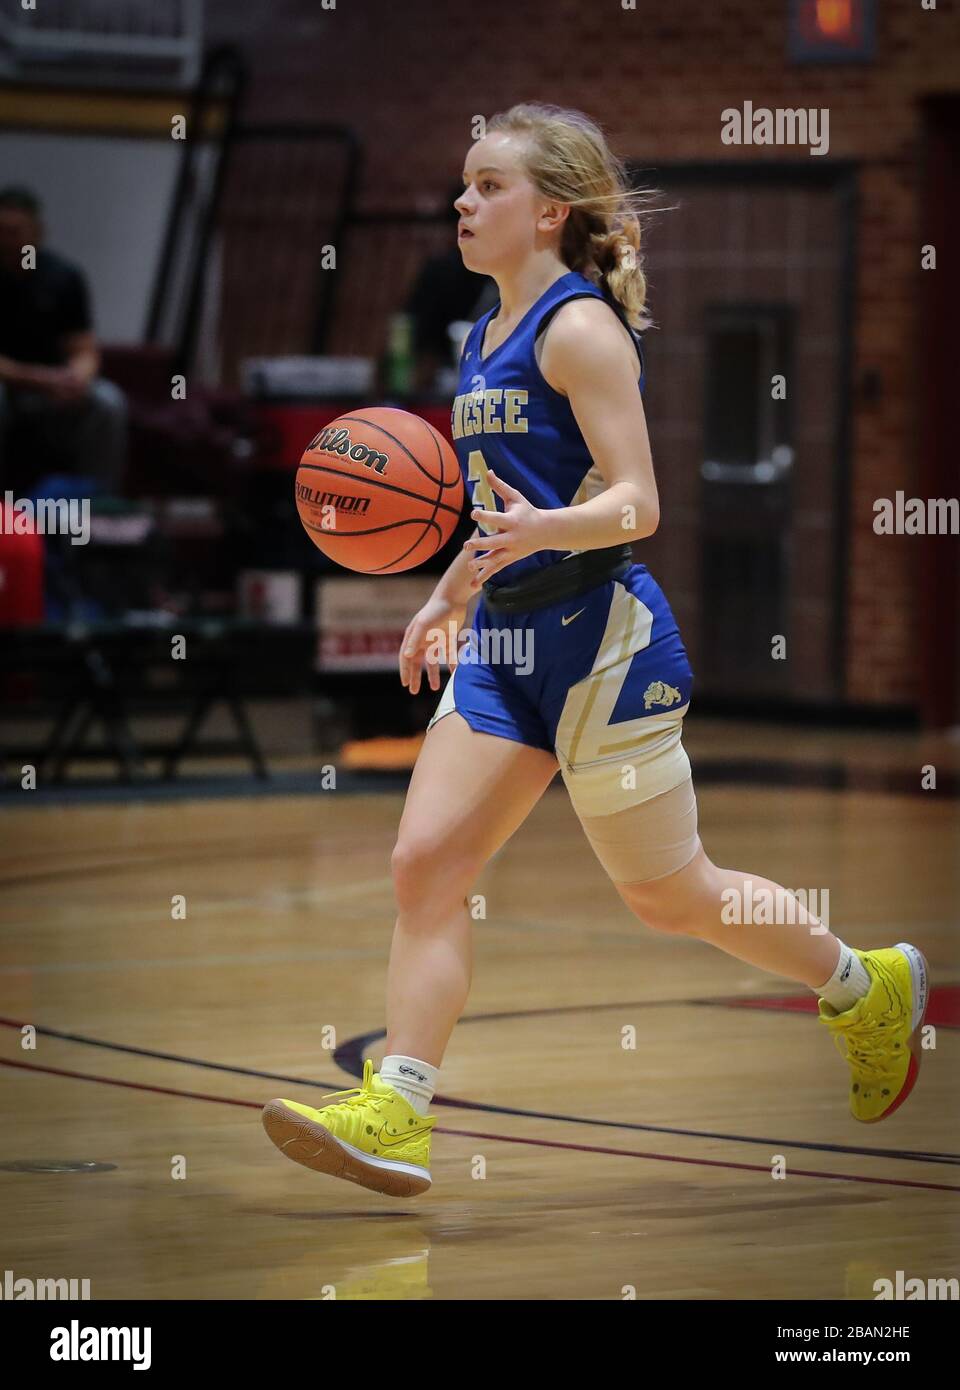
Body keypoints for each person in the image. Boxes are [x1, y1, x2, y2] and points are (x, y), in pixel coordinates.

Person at [261, 103, 929, 1198]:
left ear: (550, 210)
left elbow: (638, 504)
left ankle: (865, 986)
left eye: (488, 186)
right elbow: (491, 509)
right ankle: (398, 1106)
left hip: (603, 644)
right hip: (505, 645)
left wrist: (541, 535)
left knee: (672, 896)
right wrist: (445, 601)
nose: (463, 203)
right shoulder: (480, 334)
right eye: (464, 185)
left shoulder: (577, 331)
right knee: (424, 867)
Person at [0, 186, 126, 494]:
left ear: (38, 232)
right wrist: (38, 379)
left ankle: (96, 510)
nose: (8, 239)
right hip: (11, 387)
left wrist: (76, 378)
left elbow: (83, 348)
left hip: (52, 391)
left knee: (108, 402)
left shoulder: (63, 277)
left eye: (16, 231)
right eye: (2, 231)